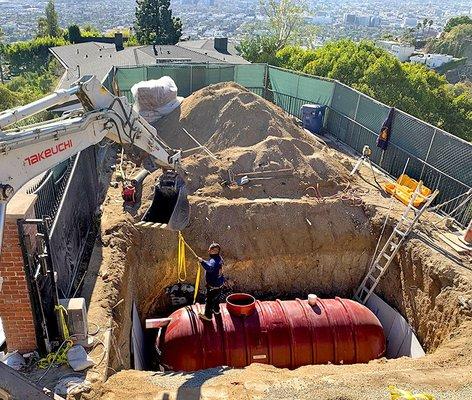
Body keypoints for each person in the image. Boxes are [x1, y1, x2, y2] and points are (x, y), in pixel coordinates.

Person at [197, 242, 224, 321]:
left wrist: (202, 261)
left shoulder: (213, 261)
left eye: (211, 250)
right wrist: (204, 261)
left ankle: (208, 316)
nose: (208, 251)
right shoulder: (219, 259)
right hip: (220, 284)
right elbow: (212, 264)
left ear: (214, 251)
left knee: (209, 301)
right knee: (217, 299)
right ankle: (216, 310)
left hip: (213, 286)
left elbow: (210, 267)